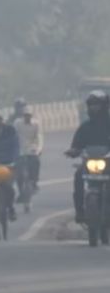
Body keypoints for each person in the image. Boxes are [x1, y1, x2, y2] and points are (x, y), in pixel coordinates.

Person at [65, 90, 110, 222]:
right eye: (91, 104)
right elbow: (76, 144)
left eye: (96, 104)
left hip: (108, 164)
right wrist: (73, 151)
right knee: (78, 176)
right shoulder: (85, 127)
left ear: (104, 105)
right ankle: (79, 211)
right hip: (90, 165)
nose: (93, 107)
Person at [13, 108, 43, 196]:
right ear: (23, 116)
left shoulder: (36, 124)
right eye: (26, 116)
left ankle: (34, 181)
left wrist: (39, 149)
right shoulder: (17, 123)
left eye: (29, 116)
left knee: (36, 162)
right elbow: (14, 136)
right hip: (20, 150)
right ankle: (20, 190)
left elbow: (39, 137)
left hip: (32, 149)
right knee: (18, 171)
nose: (27, 117)